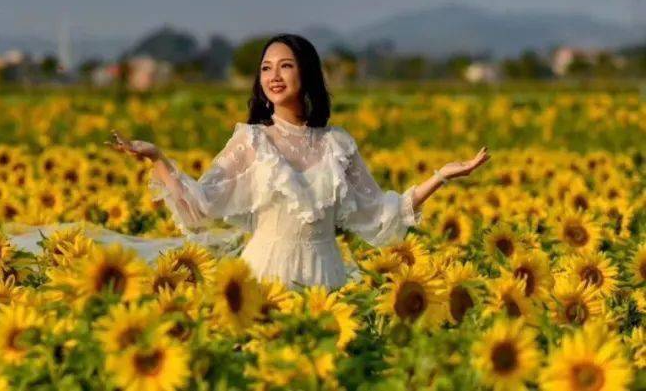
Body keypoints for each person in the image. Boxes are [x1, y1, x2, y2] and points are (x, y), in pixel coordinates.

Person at [106, 33, 490, 290]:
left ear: (305, 73)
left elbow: (378, 214)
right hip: (266, 274)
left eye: (285, 65)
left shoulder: (337, 144)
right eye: (266, 68)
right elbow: (200, 205)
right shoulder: (252, 140)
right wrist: (157, 159)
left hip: (327, 275)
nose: (274, 75)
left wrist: (441, 176)